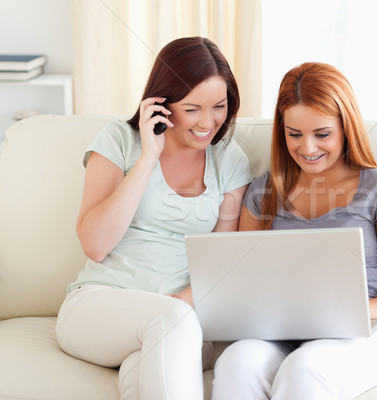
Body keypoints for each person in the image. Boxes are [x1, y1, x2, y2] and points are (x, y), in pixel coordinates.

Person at [211, 62, 377, 400]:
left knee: (306, 368)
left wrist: (343, 310)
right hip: (283, 333)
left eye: (322, 134)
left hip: (365, 335)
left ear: (346, 127)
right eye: (294, 134)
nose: (307, 149)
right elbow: (243, 284)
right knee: (237, 362)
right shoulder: (262, 192)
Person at [55, 37, 253, 400]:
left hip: (184, 317)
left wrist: (182, 305)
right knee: (169, 322)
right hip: (99, 305)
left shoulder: (229, 159)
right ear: (161, 103)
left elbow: (220, 261)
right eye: (192, 109)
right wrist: (148, 157)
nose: (208, 123)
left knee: (144, 367)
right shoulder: (120, 140)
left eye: (219, 106)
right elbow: (95, 245)